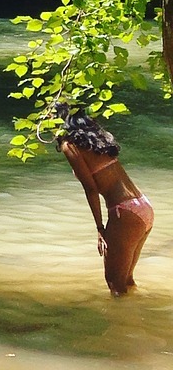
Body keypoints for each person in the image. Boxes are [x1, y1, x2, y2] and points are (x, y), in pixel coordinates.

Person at [53, 106, 153, 295]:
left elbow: (91, 189)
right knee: (126, 281)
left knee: (115, 285)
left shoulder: (70, 145)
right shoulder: (94, 142)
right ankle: (139, 319)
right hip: (142, 206)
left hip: (125, 212)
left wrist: (100, 228)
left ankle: (122, 324)